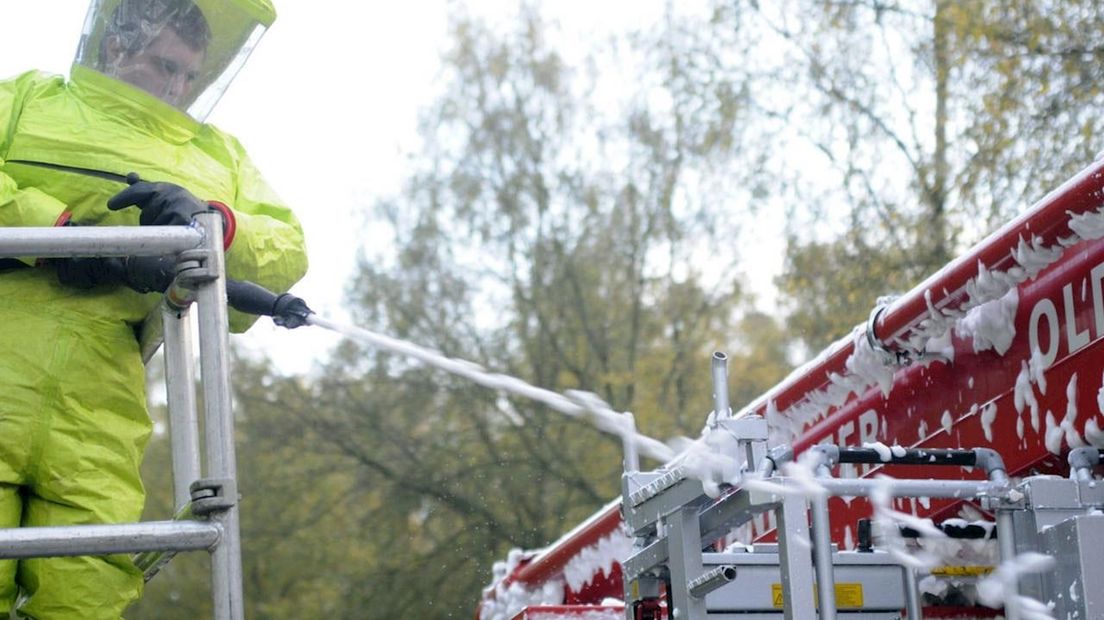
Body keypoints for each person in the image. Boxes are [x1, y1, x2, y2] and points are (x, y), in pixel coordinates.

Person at [0, 0, 308, 617]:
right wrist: (56, 233)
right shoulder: (31, 99)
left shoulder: (215, 153)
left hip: (102, 403)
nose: (177, 87)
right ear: (117, 46)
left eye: (190, 76)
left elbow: (286, 246)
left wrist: (211, 220)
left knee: (89, 589)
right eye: (165, 66)